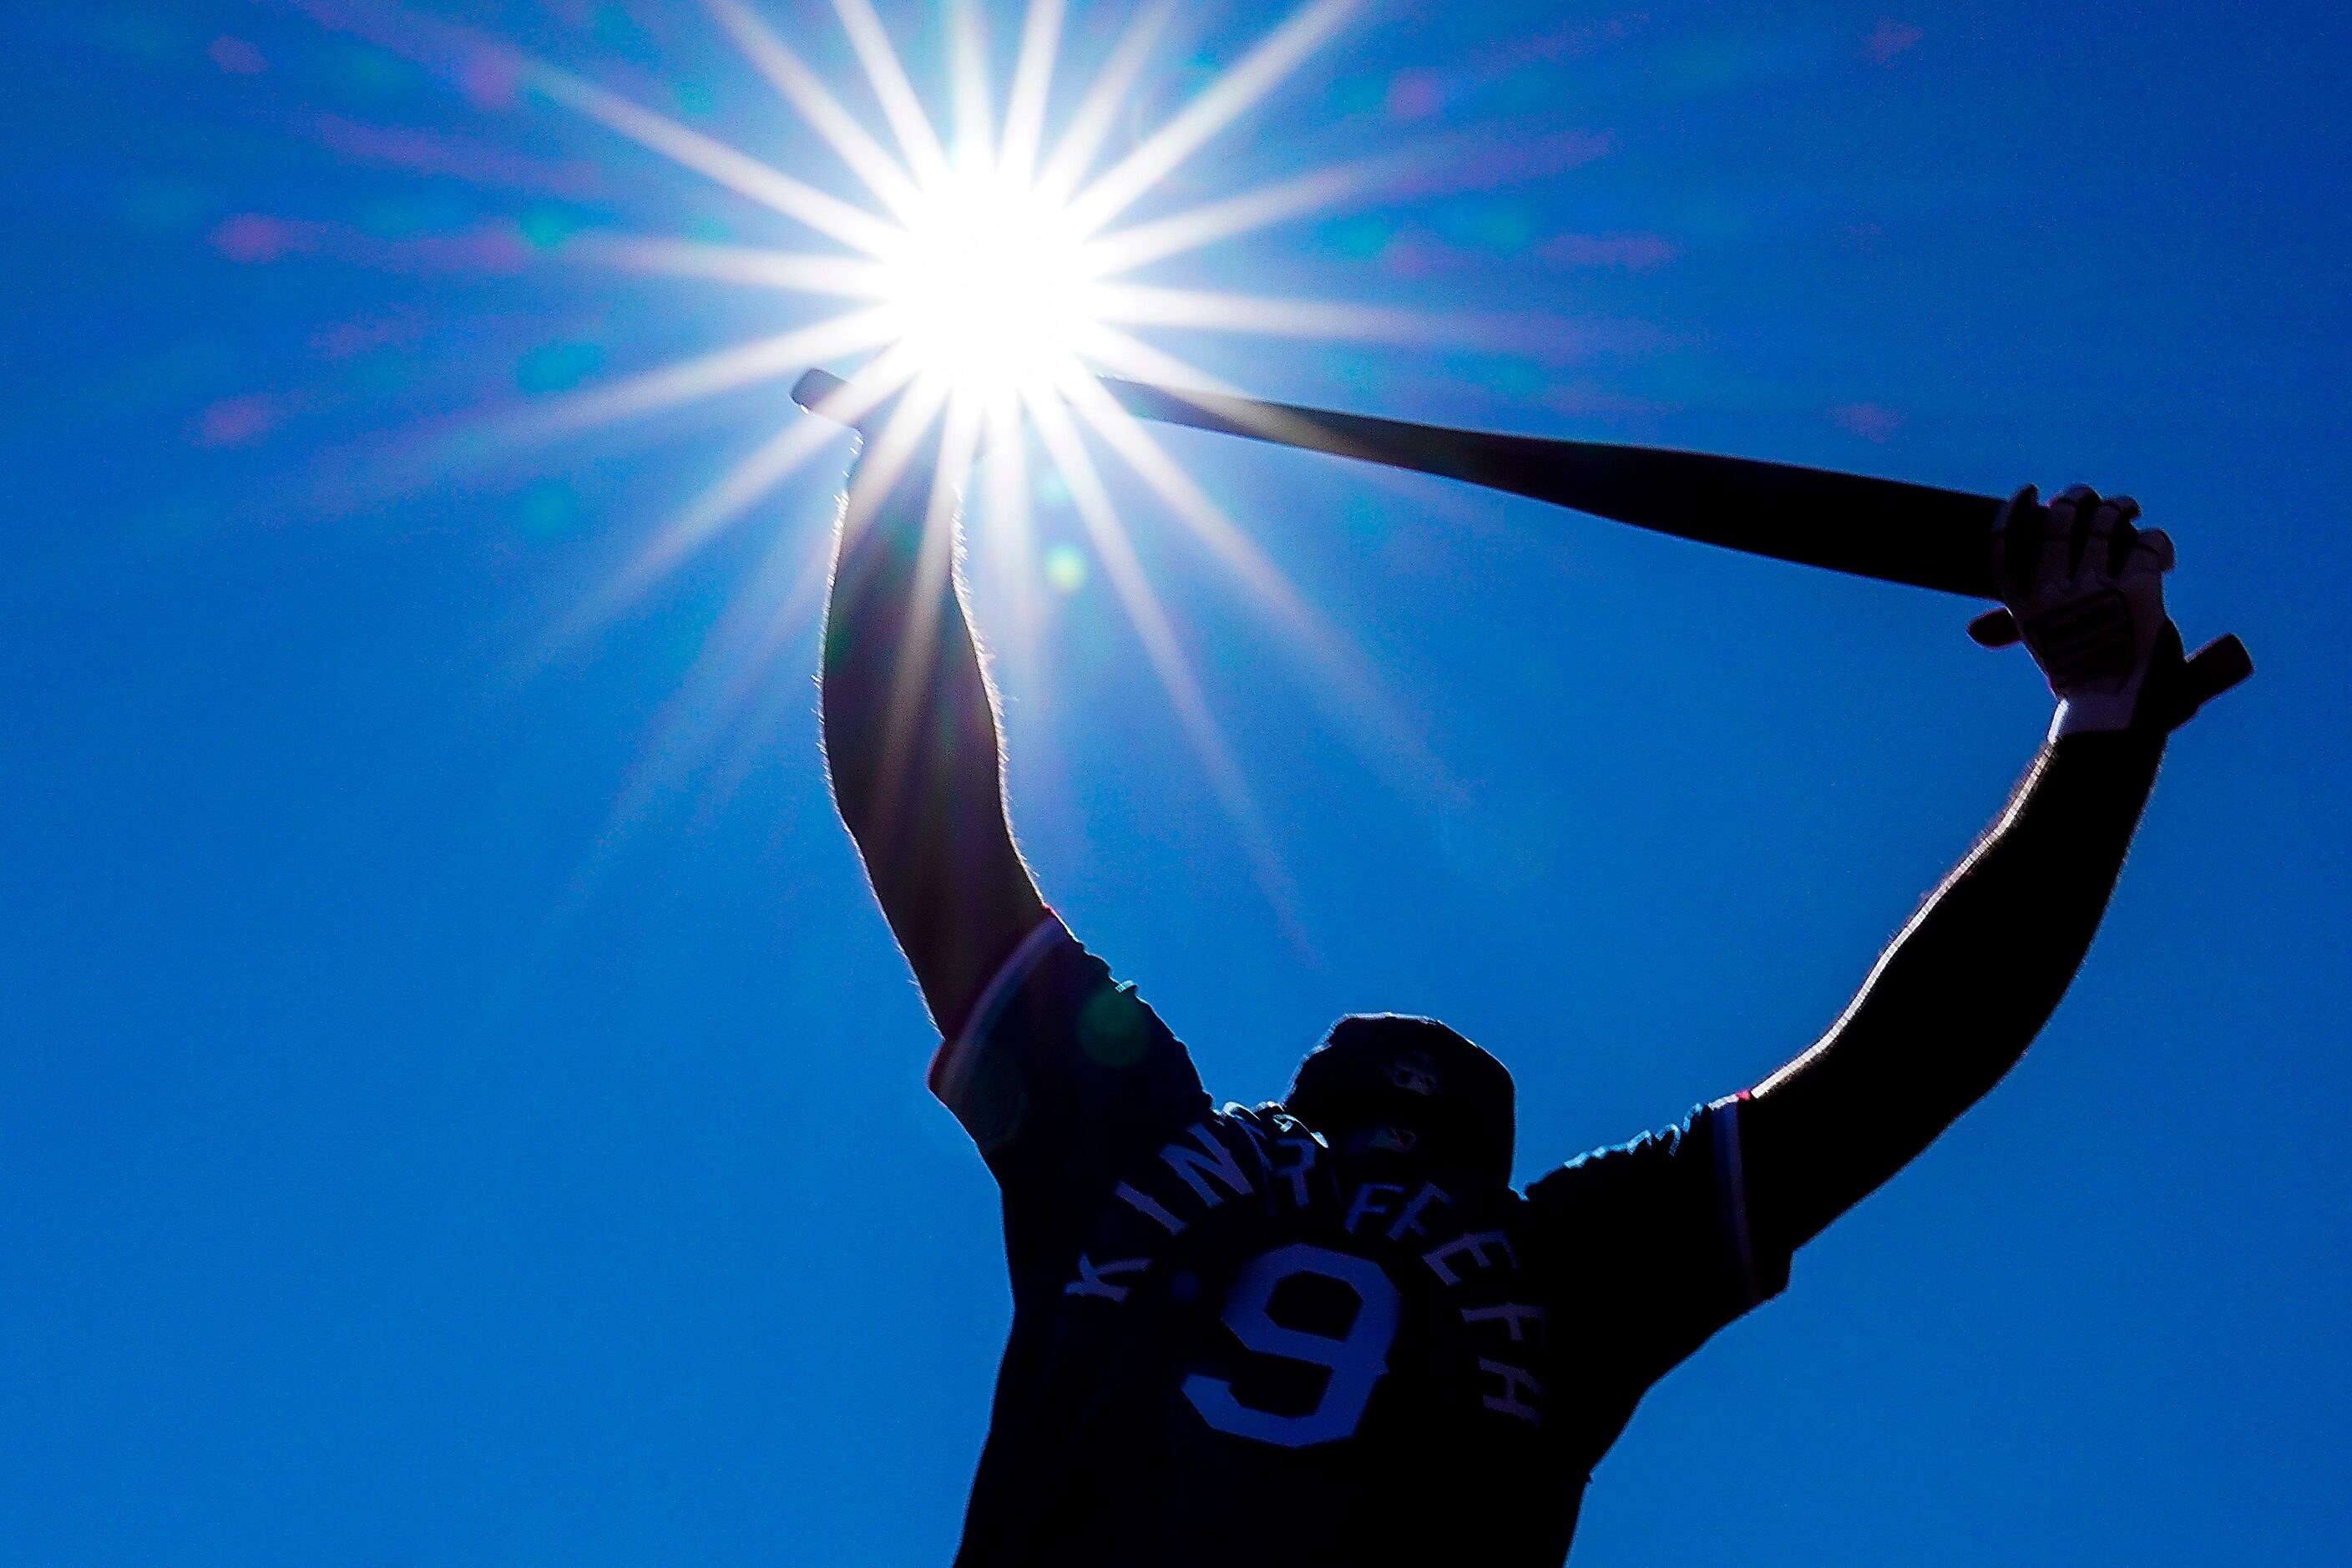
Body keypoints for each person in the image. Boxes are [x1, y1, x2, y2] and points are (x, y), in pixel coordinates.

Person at [816, 400, 2213, 1565]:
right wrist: (2103, 721)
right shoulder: (1560, 1255)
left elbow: (918, 814)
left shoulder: (1147, 1137)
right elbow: (1904, 1064)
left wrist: (903, 468)